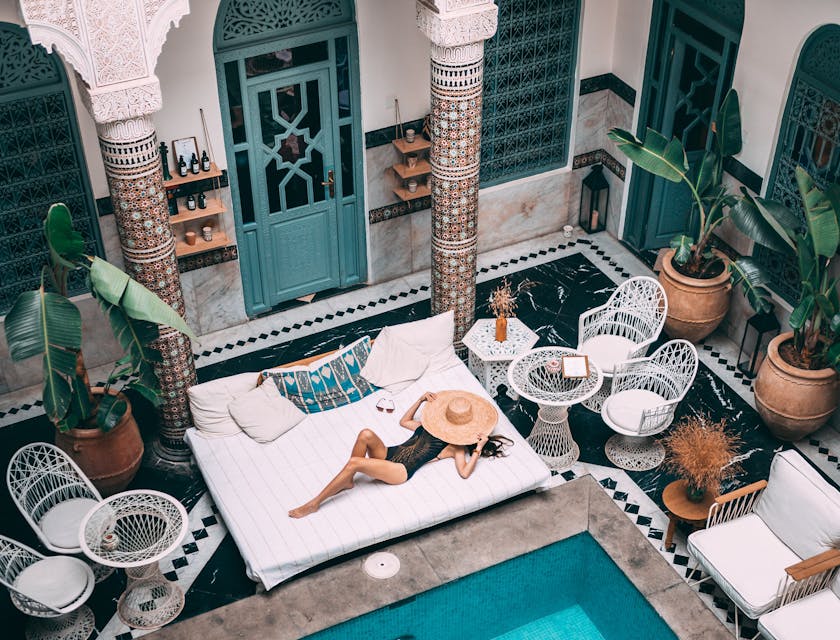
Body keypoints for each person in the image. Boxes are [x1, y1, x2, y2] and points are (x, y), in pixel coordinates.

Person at [288, 390, 512, 518]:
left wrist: (479, 448)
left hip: (401, 471)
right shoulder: (430, 426)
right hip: (390, 453)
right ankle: (346, 482)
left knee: (355, 463)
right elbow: (403, 421)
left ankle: (315, 502)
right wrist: (421, 400)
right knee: (365, 433)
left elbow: (464, 473)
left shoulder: (456, 447)